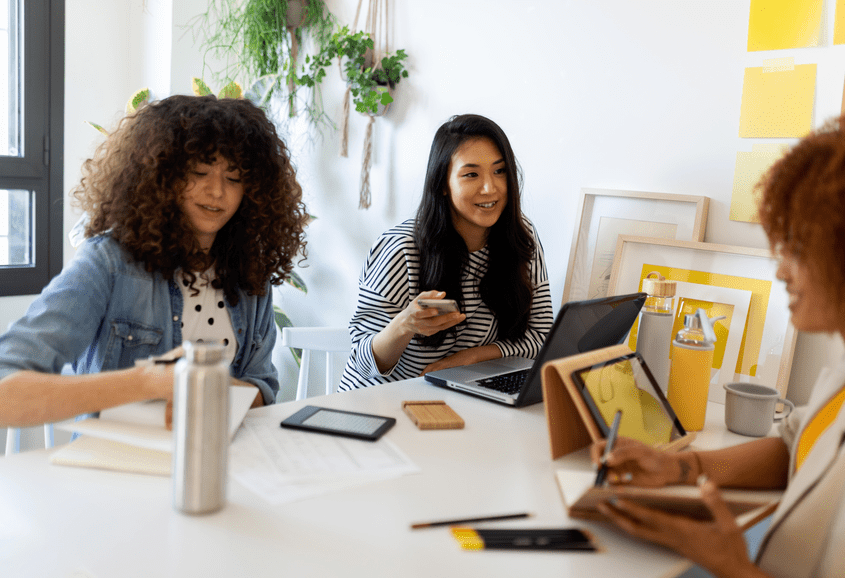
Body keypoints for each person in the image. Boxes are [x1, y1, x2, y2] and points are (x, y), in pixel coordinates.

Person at [591, 109, 845, 578]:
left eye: (798, 249)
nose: (781, 271)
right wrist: (677, 468)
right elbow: (795, 443)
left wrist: (731, 566)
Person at [0, 94, 307, 429]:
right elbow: (6, 390)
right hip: (117, 469)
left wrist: (207, 387)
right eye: (199, 171)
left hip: (218, 461)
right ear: (163, 176)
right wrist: (150, 382)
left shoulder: (250, 276)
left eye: (233, 178)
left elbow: (262, 388)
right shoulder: (108, 262)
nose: (217, 191)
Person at [340, 114, 554, 390]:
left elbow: (540, 337)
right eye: (471, 174)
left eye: (499, 171)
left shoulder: (521, 236)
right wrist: (404, 324)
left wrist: (472, 357)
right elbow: (363, 361)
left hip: (455, 398)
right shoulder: (400, 248)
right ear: (443, 183)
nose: (490, 188)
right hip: (379, 401)